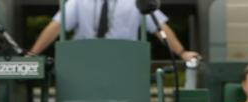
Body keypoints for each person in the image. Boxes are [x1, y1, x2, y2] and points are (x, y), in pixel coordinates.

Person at [28, 0, 198, 59]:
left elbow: (160, 28)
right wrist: (33, 54)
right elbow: (56, 27)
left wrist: (182, 53)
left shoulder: (136, 2)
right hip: (85, 61)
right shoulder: (79, 1)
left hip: (123, 61)